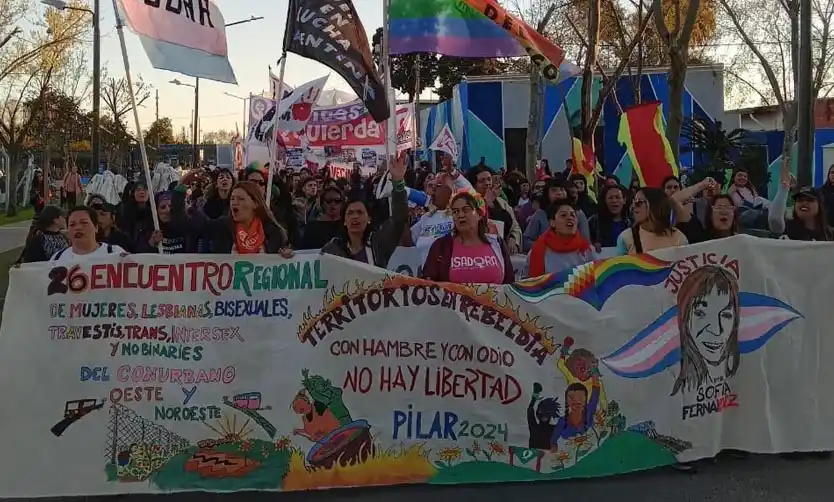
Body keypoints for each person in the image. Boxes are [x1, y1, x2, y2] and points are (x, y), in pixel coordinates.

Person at [322, 153, 409, 268]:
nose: (355, 217)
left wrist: (398, 183)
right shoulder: (332, 249)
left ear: (369, 218)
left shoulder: (379, 242)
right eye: (350, 213)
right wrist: (290, 258)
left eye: (360, 212)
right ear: (344, 220)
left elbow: (399, 219)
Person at [176, 180, 293, 255]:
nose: (234, 203)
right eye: (232, 199)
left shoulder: (272, 232)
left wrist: (286, 255)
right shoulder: (222, 227)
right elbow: (192, 226)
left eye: (241, 199)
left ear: (255, 203)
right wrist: (179, 195)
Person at [422, 190, 514, 284]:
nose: (460, 215)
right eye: (455, 211)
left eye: (466, 210)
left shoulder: (497, 243)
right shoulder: (441, 246)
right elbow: (429, 285)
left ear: (479, 214)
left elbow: (510, 284)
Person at [527, 202, 596, 277]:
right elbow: (526, 283)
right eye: (563, 215)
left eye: (573, 215)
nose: (570, 218)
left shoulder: (587, 250)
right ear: (552, 222)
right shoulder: (537, 251)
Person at [524, 178, 590, 251]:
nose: (559, 193)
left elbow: (586, 241)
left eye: (562, 189)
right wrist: (545, 246)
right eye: (554, 190)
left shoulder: (578, 213)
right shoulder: (540, 214)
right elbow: (526, 241)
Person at [616, 187, 688, 255]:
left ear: (654, 205)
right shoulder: (626, 238)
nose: (633, 206)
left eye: (638, 202)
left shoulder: (679, 238)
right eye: (633, 201)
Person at [466, 165, 521, 252]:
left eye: (489, 179)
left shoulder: (501, 202)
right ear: (473, 185)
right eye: (482, 181)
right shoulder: (467, 203)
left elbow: (515, 226)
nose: (487, 183)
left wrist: (513, 238)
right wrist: (486, 203)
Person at [50, 206, 125, 263]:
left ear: (96, 227)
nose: (78, 228)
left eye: (84, 223)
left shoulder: (115, 252)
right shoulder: (57, 258)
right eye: (72, 224)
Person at [768, 179, 833, 241]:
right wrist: (784, 188)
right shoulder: (786, 228)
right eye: (800, 200)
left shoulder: (829, 234)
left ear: (819, 205)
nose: (804, 203)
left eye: (809, 200)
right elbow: (774, 219)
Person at [410, 183, 454, 266]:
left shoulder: (456, 216)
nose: (434, 189)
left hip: (446, 273)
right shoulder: (426, 217)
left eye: (438, 186)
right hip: (423, 274)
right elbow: (409, 240)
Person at [588, 184, 631, 251]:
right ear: (604, 200)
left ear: (624, 200)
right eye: (610, 198)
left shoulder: (632, 222)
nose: (614, 201)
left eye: (617, 197)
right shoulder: (594, 222)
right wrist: (593, 244)